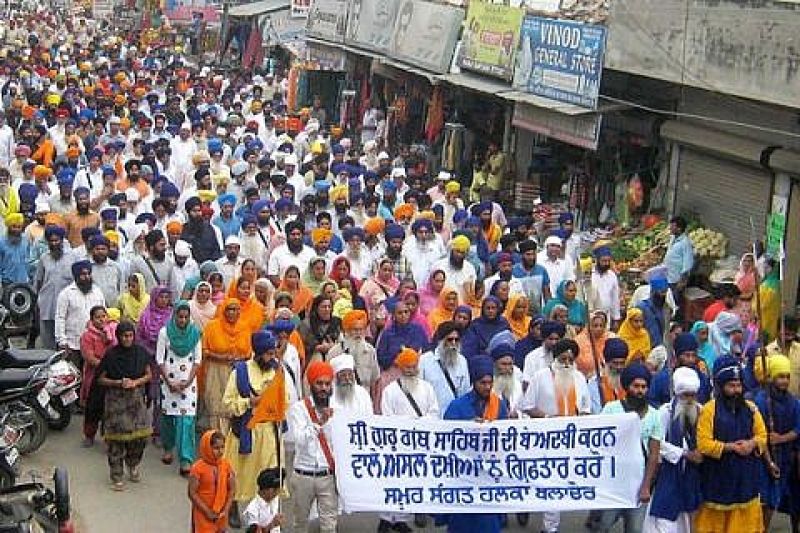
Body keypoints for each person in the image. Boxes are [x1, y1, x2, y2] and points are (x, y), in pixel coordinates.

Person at [520, 338, 591, 532]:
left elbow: (585, 408)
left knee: (557, 481)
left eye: (570, 360)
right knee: (542, 479)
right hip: (544, 438)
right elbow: (527, 406)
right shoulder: (540, 377)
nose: (566, 364)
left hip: (569, 440)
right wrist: (549, 418)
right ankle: (529, 510)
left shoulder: (578, 378)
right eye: (563, 359)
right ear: (554, 358)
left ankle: (550, 527)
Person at [695, 356, 768, 533]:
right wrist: (730, 447)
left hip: (746, 480)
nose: (736, 390)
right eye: (731, 386)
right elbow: (703, 444)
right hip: (718, 480)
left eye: (738, 385)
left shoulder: (751, 408)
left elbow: (763, 436)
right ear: (721, 387)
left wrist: (751, 444)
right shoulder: (709, 410)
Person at [222, 330, 285, 525]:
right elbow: (227, 404)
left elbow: (286, 400)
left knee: (270, 475)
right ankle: (232, 505)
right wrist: (250, 402)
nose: (271, 357)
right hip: (245, 431)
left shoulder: (277, 372)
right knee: (238, 473)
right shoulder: (240, 372)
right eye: (268, 354)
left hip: (269, 432)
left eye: (274, 353)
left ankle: (268, 518)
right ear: (258, 353)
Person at [591, 363, 662, 532]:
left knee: (635, 529)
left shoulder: (654, 415)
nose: (640, 391)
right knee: (603, 525)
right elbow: (599, 442)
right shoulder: (611, 409)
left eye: (644, 387)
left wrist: (646, 486)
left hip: (638, 483)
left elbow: (653, 454)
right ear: (627, 387)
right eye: (636, 386)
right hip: (613, 482)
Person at [442, 355, 508, 533]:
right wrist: (469, 428)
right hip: (464, 476)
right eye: (482, 383)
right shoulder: (457, 406)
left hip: (489, 476)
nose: (487, 387)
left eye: (490, 382)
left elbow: (505, 440)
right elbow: (446, 440)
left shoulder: (499, 405)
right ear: (474, 382)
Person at [379, 348, 439, 532]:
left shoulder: (427, 388)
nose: (410, 371)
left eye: (413, 367)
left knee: (413, 483)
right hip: (398, 446)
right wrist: (405, 426)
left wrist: (418, 424)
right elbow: (387, 416)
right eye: (407, 367)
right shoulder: (390, 390)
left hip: (420, 444)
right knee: (393, 484)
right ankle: (386, 519)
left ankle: (402, 520)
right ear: (400, 368)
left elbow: (434, 413)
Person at [644, 367, 704, 533]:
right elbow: (656, 443)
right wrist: (684, 454)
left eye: (693, 395)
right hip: (669, 474)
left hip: (693, 476)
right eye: (685, 395)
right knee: (665, 522)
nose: (690, 399)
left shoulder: (701, 411)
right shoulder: (664, 412)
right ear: (677, 394)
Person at [96, 321, 153, 491]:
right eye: (124, 336)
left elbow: (149, 375)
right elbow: (100, 378)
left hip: (136, 401)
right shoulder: (111, 355)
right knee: (116, 441)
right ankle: (117, 474)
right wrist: (118, 382)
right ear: (118, 337)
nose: (127, 339)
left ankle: (133, 464)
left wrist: (136, 382)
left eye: (130, 336)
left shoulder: (141, 353)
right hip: (116, 402)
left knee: (140, 438)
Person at [287, 360, 338, 533]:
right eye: (319, 383)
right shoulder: (298, 409)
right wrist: (319, 424)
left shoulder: (337, 410)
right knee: (300, 523)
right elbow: (299, 440)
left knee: (329, 525)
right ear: (311, 385)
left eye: (327, 384)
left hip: (327, 476)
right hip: (303, 475)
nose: (324, 388)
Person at [157, 300, 202, 476]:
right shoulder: (165, 332)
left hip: (188, 383)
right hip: (169, 380)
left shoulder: (195, 333)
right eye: (180, 316)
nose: (182, 320)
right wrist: (169, 381)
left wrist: (188, 381)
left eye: (185, 317)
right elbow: (160, 359)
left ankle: (186, 459)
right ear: (174, 315)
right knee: (168, 417)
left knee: (187, 420)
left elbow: (198, 360)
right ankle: (168, 448)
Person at [754, 354, 799, 530]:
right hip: (764, 460)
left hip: (785, 458)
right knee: (762, 500)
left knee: (775, 500)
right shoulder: (761, 401)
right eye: (780, 376)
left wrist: (782, 438)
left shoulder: (794, 403)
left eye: (787, 377)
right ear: (772, 377)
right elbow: (758, 434)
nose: (785, 381)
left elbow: (798, 429)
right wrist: (769, 461)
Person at [202, 298, 253, 434]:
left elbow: (249, 352)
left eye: (236, 309)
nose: (233, 313)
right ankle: (217, 440)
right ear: (224, 310)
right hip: (216, 371)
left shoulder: (244, 327)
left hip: (238, 370)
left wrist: (239, 359)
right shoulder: (212, 327)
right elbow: (205, 350)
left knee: (235, 405)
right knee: (216, 405)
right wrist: (221, 357)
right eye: (230, 309)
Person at [55, 260, 106, 366]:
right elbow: (60, 318)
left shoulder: (97, 292)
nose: (87, 277)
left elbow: (104, 315)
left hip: (94, 344)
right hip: (73, 345)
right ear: (76, 276)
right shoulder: (66, 294)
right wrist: (62, 341)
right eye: (83, 274)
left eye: (88, 274)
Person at [79, 305, 117, 447]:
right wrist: (106, 366)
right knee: (92, 408)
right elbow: (89, 357)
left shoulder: (112, 332)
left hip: (110, 377)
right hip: (94, 376)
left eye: (103, 316)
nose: (101, 320)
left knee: (109, 409)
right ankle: (89, 435)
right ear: (92, 319)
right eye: (98, 317)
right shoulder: (87, 336)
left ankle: (109, 438)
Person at [34, 226, 76, 349]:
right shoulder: (44, 258)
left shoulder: (72, 257)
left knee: (65, 343)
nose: (54, 243)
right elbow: (38, 281)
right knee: (48, 344)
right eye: (51, 241)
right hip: (47, 306)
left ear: (62, 241)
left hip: (67, 308)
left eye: (57, 240)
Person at [189, 430, 236, 533]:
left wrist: (226, 510)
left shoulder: (226, 466)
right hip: (203, 513)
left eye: (222, 447)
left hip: (221, 514)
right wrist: (207, 511)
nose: (220, 451)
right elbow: (192, 493)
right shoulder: (197, 468)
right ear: (207, 447)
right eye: (216, 448)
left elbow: (232, 489)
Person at [648, 333, 712, 408]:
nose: (690, 360)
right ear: (677, 356)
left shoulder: (703, 379)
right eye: (687, 355)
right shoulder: (662, 379)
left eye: (693, 355)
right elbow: (653, 402)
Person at [420, 321, 471, 413]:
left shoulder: (462, 361)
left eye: (457, 340)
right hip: (431, 418)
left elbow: (465, 392)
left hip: (454, 417)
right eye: (450, 340)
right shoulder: (425, 360)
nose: (453, 343)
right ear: (441, 340)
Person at [327, 310, 380, 393]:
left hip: (364, 399)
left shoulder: (370, 351)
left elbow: (375, 381)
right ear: (347, 331)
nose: (358, 333)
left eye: (361, 330)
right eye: (355, 330)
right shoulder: (335, 352)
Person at [461, 296, 510, 361]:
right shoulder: (475, 325)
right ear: (483, 309)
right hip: (481, 359)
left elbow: (508, 340)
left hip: (501, 357)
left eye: (493, 308)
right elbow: (472, 346)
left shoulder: (503, 323)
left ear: (497, 309)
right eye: (488, 308)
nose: (490, 311)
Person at [588, 338, 628, 413]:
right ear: (606, 362)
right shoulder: (595, 383)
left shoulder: (628, 381)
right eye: (615, 363)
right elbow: (597, 411)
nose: (619, 367)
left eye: (622, 363)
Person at [521, 320, 565, 387]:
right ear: (543, 338)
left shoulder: (565, 357)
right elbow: (527, 383)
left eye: (557, 339)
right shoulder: (532, 357)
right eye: (550, 339)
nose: (554, 343)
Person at [242, 468, 284, 533]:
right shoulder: (252, 511)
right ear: (264, 490)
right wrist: (272, 524)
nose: (277, 492)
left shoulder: (275, 498)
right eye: (274, 490)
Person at [588, 246, 621, 327]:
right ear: (597, 260)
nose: (606, 263)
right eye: (604, 261)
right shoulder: (589, 275)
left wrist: (616, 318)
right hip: (590, 316)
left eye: (608, 261)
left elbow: (615, 298)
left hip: (606, 316)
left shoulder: (612, 276)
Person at [663, 216, 693, 303]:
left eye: (673, 226)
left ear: (679, 229)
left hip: (676, 280)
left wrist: (682, 282)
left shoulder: (685, 243)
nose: (670, 228)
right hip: (668, 276)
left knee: (674, 302)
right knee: (667, 301)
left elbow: (688, 264)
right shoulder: (673, 238)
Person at [574, 311, 611, 379]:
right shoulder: (579, 341)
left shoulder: (610, 338)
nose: (599, 329)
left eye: (601, 326)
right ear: (589, 326)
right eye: (595, 326)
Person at [638, 275, 670, 348]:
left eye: (665, 292)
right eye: (661, 292)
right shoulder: (642, 307)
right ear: (653, 292)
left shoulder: (666, 308)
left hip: (660, 347)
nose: (663, 295)